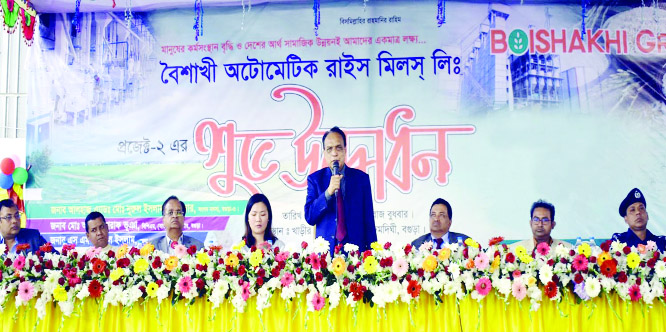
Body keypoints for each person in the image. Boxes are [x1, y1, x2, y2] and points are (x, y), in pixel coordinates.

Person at [305, 126, 377, 253]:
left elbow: (369, 222)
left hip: (355, 254)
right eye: (329, 149)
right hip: (326, 256)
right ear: (324, 152)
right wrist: (328, 192)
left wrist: (373, 254)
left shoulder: (361, 179)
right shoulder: (315, 180)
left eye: (338, 148)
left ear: (345, 150)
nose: (334, 153)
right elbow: (310, 217)